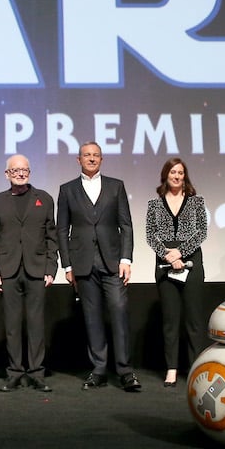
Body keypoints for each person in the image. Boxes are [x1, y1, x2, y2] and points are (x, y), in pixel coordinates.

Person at [57, 142, 140, 392]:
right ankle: (99, 369)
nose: (91, 159)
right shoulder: (67, 189)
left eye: (96, 155)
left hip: (112, 262)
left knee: (119, 311)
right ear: (78, 159)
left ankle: (125, 371)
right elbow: (62, 229)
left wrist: (126, 259)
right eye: (87, 155)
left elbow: (126, 225)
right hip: (82, 263)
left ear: (101, 160)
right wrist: (67, 264)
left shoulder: (116, 186)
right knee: (92, 319)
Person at [0, 154, 57, 392]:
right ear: (7, 174)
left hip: (37, 270)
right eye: (15, 170)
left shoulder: (44, 199)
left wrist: (51, 268)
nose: (20, 173)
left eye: (24, 169)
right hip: (8, 271)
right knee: (12, 325)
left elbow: (51, 236)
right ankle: (15, 372)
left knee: (36, 324)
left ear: (29, 172)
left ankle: (37, 373)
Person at [145, 157, 209, 388]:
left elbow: (201, 232)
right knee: (170, 321)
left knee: (193, 320)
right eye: (173, 172)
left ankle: (195, 369)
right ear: (166, 175)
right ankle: (171, 369)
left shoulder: (196, 202)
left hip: (191, 263)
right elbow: (150, 234)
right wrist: (167, 255)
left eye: (181, 172)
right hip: (165, 266)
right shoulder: (155, 204)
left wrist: (180, 253)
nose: (177, 176)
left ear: (185, 176)